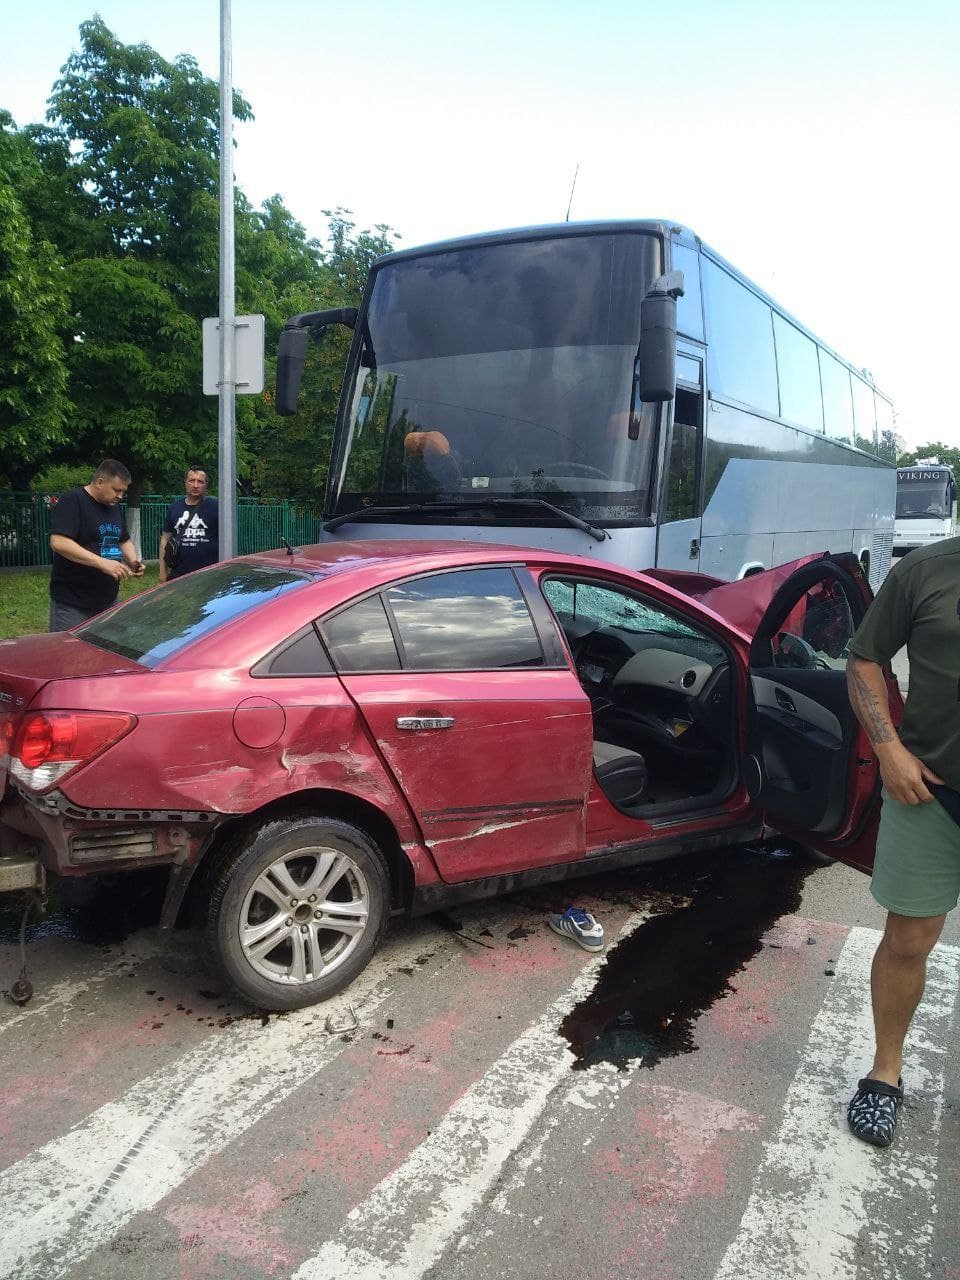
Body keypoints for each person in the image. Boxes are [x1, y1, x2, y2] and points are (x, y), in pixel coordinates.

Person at [844, 533, 960, 1147]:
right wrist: (888, 749)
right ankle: (884, 1075)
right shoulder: (927, 570)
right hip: (931, 791)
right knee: (908, 937)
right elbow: (864, 658)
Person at [48, 459, 144, 632]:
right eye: (117, 490)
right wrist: (102, 562)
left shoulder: (113, 506)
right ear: (100, 482)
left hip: (108, 600)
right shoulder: (73, 500)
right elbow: (59, 542)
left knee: (104, 653)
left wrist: (133, 560)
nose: (120, 496)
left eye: (123, 491)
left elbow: (123, 539)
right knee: (69, 655)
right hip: (73, 602)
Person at [159, 465, 219, 582]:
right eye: (192, 481)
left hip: (209, 576)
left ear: (206, 485)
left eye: (200, 481)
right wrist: (163, 571)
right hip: (179, 575)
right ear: (185, 483)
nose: (196, 485)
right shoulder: (174, 508)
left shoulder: (216, 507)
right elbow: (165, 539)